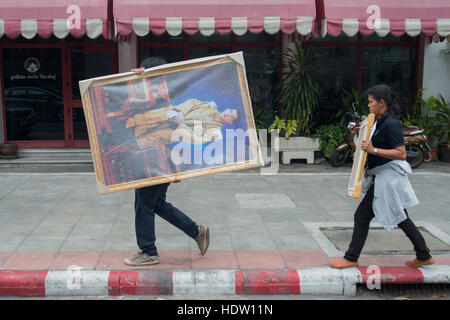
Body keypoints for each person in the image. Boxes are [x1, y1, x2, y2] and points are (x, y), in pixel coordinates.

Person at [330, 84, 434, 269]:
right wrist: (364, 154)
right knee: (400, 217)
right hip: (382, 176)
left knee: (362, 216)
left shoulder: (391, 124)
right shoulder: (378, 121)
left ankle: (351, 257)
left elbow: (401, 153)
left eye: (371, 102)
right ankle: (424, 254)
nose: (368, 105)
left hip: (388, 178)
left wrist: (373, 150)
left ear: (381, 102)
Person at [124, 57, 210, 266]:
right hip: (151, 158)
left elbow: (177, 132)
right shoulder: (150, 97)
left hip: (158, 162)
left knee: (144, 204)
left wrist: (175, 167)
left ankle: (149, 252)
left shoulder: (169, 103)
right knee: (157, 204)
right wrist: (134, 81)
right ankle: (197, 232)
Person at [125, 98, 239, 149]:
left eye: (231, 116)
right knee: (130, 124)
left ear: (230, 122)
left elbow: (194, 138)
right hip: (167, 116)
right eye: (230, 111)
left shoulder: (215, 131)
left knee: (132, 142)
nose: (228, 114)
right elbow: (192, 102)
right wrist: (179, 113)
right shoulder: (209, 106)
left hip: (171, 132)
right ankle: (127, 124)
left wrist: (181, 124)